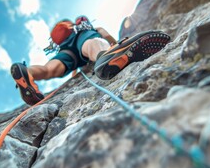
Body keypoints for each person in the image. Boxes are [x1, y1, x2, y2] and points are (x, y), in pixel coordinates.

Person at [10, 16, 171, 105]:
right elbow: (101, 32)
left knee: (51, 69)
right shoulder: (81, 27)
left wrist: (75, 71)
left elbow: (69, 62)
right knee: (91, 44)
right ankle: (107, 55)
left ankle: (28, 72)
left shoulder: (63, 40)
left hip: (67, 50)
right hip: (82, 38)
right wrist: (113, 43)